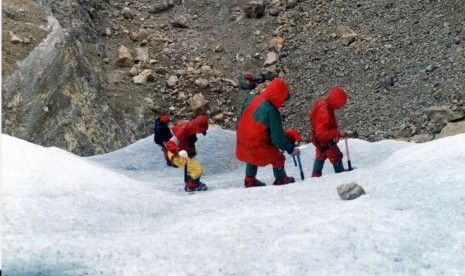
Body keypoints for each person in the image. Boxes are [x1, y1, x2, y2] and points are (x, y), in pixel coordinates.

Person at [236, 78, 300, 188]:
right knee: (278, 158)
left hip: (242, 140)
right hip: (257, 145)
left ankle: (249, 179)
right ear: (279, 96)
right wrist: (290, 149)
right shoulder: (272, 111)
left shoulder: (251, 98)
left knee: (251, 156)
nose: (283, 103)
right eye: (283, 99)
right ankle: (281, 179)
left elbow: (240, 118)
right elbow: (277, 138)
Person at [308, 86, 348, 177]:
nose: (342, 106)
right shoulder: (325, 111)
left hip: (318, 140)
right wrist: (337, 133)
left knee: (320, 155)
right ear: (337, 100)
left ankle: (315, 176)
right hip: (325, 141)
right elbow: (321, 133)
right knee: (335, 155)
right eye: (341, 103)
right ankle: (340, 174)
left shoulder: (322, 103)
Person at [165, 115, 209, 192]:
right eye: (201, 131)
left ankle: (190, 183)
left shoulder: (191, 127)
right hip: (175, 154)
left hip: (183, 152)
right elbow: (169, 144)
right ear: (197, 128)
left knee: (190, 169)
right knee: (197, 169)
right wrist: (178, 150)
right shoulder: (182, 132)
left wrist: (190, 152)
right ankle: (191, 187)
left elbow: (189, 141)